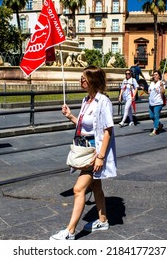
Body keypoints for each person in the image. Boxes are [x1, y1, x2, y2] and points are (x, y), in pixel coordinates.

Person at [50, 66, 117, 240]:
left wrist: (101, 156)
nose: (81, 81)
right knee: (96, 186)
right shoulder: (86, 100)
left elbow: (108, 130)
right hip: (85, 148)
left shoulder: (103, 101)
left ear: (93, 81)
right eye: (81, 78)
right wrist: (71, 116)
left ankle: (70, 232)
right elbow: (84, 126)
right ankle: (102, 220)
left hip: (94, 152)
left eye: (84, 79)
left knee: (78, 189)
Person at [148, 70, 165, 136]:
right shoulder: (152, 83)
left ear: (159, 76)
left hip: (158, 103)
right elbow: (149, 92)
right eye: (154, 75)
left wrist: (161, 86)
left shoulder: (161, 83)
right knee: (151, 116)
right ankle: (159, 124)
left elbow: (163, 92)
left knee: (156, 116)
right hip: (151, 103)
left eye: (156, 74)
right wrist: (144, 89)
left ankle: (155, 130)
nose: (154, 76)